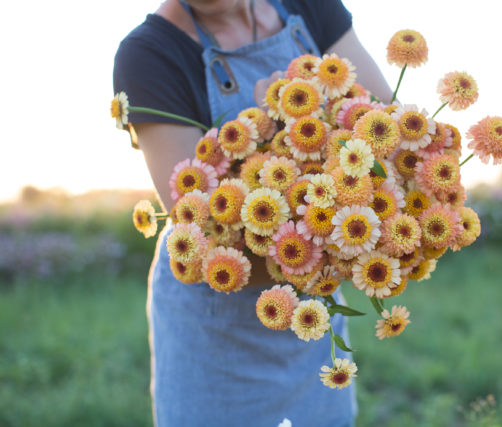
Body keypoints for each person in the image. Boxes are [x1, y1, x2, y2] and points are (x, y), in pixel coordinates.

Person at [113, 1, 392, 425]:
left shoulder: (310, 6)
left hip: (313, 315)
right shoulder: (149, 54)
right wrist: (274, 128)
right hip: (217, 331)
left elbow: (386, 128)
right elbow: (204, 235)